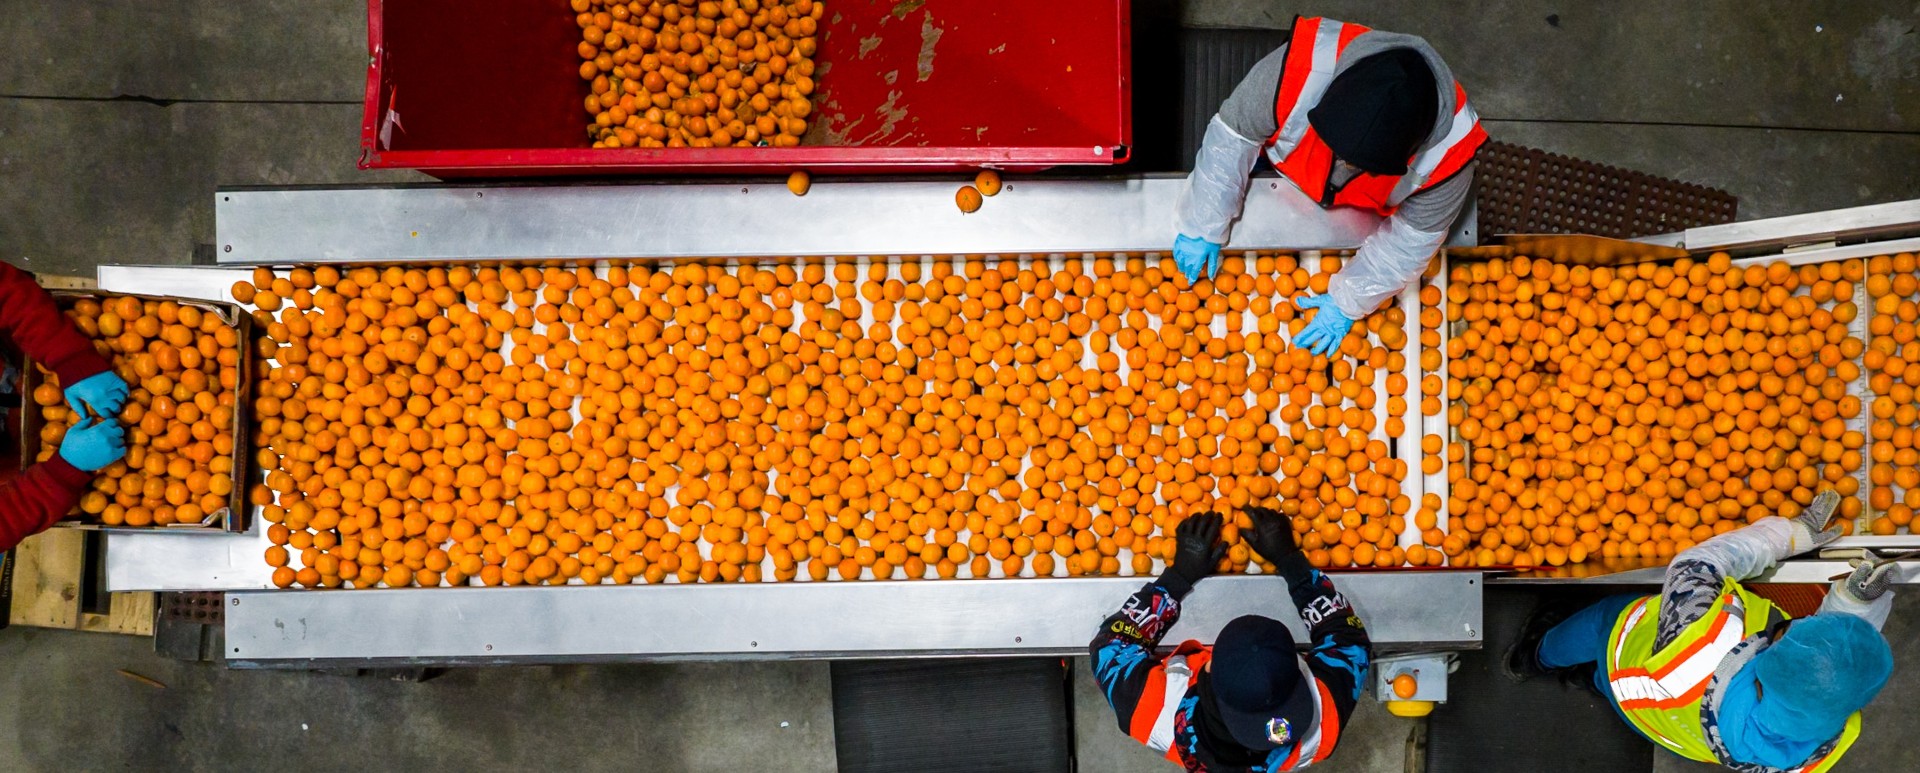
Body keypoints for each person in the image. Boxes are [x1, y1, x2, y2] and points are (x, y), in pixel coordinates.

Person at [1507, 491, 1899, 772]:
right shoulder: (1820, 743)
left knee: (1596, 626)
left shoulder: (1706, 637)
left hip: (1626, 654)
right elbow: (1832, 677)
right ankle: (1589, 680)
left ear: (1772, 652)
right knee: (1603, 684)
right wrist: (1855, 605)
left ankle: (1535, 657)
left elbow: (1697, 564)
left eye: (1795, 629)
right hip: (1662, 723)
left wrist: (1787, 536)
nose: (1797, 623)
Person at [1173, 16, 1485, 358]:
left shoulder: (1450, 158)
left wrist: (1348, 300)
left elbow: (1407, 245)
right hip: (1280, 165)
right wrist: (1205, 221)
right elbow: (1231, 142)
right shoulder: (1297, 72)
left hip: (1366, 214)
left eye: (1360, 164)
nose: (1343, 165)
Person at [1090, 508, 1371, 771]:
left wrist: (1178, 578)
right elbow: (1348, 638)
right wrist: (1290, 562)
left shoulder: (1153, 710)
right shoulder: (1323, 723)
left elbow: (1109, 644)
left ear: (1208, 667)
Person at [0, 260, 128, 553]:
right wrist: (63, 471)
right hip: (27, 468)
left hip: (34, 357)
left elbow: (5, 290)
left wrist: (70, 358)